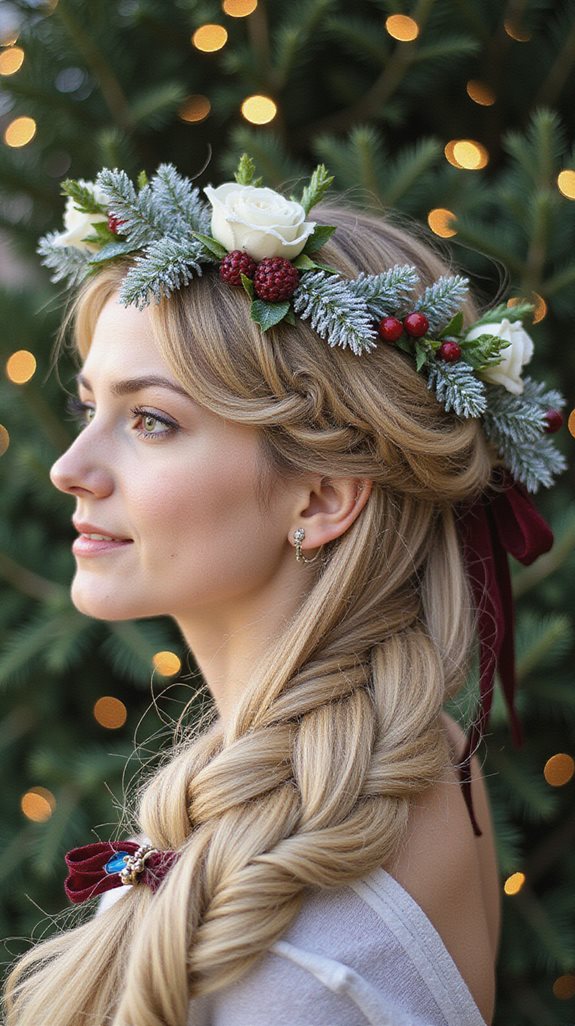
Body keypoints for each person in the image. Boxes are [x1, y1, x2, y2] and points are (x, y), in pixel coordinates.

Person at [3, 159, 564, 1026]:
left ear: (320, 498)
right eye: (89, 409)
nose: (69, 469)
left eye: (150, 420)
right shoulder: (414, 752)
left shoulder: (297, 972)